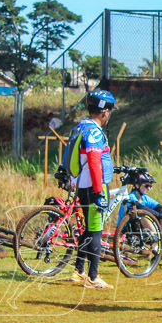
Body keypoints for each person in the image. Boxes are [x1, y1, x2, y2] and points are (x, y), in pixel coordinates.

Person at [62, 89, 116, 289]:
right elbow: (94, 162)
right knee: (95, 231)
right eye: (109, 111)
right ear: (104, 112)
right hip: (93, 185)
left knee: (86, 230)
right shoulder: (94, 131)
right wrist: (99, 191)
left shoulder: (81, 126)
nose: (109, 115)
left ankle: (78, 271)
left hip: (82, 184)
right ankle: (93, 277)